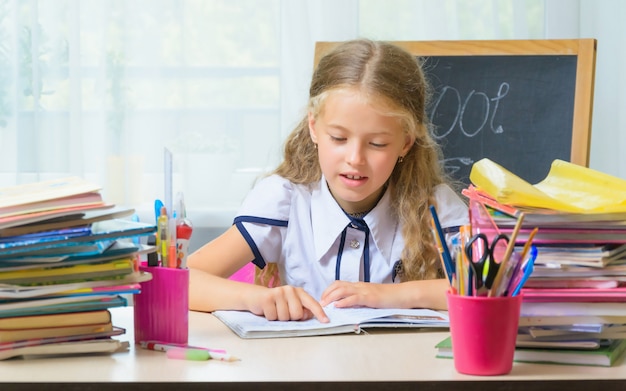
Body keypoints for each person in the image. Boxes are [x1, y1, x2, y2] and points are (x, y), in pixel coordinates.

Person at [188, 38, 468, 323]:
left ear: (406, 143)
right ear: (314, 128)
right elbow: (183, 281)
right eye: (338, 138)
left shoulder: (435, 206)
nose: (355, 158)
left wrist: (388, 295)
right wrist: (257, 298)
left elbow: (495, 288)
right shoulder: (283, 201)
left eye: (378, 143)